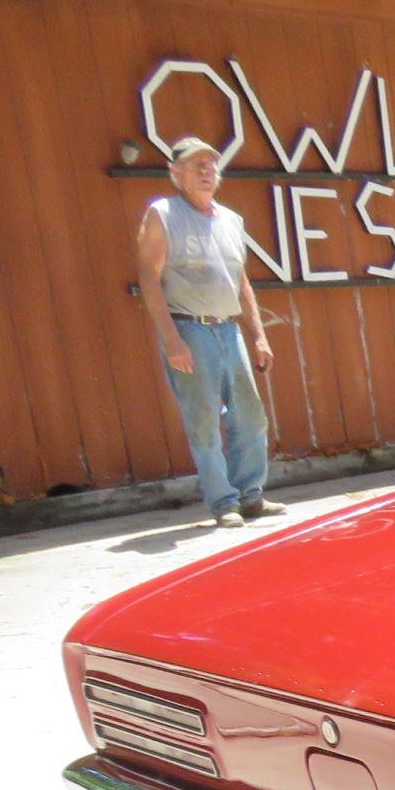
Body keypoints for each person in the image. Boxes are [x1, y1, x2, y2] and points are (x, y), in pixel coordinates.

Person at [136, 136, 279, 529]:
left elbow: (242, 282)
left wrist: (259, 335)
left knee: (250, 416)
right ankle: (223, 502)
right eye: (195, 165)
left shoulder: (231, 220)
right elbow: (149, 277)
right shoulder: (162, 214)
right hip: (189, 329)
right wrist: (171, 339)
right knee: (203, 421)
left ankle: (251, 495)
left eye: (211, 164)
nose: (205, 171)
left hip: (229, 329)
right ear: (175, 173)